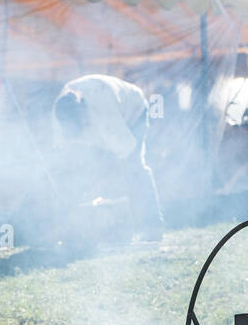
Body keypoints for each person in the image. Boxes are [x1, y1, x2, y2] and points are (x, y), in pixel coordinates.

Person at [52, 74, 164, 240]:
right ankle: (80, 227)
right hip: (105, 123)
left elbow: (126, 149)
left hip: (133, 111)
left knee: (134, 170)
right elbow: (61, 155)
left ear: (84, 115)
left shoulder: (105, 114)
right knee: (81, 172)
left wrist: (104, 179)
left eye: (79, 128)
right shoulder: (59, 114)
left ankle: (152, 226)